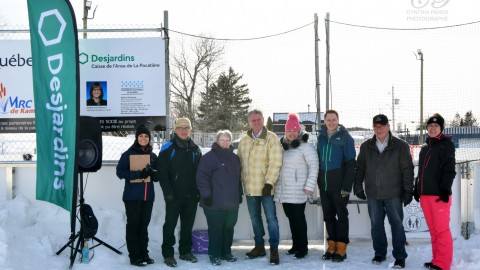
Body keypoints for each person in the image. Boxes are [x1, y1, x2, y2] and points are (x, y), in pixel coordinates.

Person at [353, 114, 414, 269]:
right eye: (375, 126)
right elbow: (360, 168)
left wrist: (408, 190)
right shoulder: (366, 146)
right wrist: (358, 186)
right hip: (373, 194)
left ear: (388, 126)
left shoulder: (401, 146)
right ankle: (379, 253)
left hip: (394, 194)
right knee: (376, 225)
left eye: (381, 126)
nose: (378, 129)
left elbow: (407, 169)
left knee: (397, 225)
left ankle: (400, 256)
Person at [237, 109, 283, 265]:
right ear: (249, 122)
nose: (256, 123)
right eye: (253, 120)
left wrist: (269, 183)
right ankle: (259, 246)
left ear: (263, 120)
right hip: (250, 187)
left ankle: (274, 249)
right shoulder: (244, 140)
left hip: (266, 188)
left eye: (259, 119)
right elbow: (239, 163)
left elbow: (276, 162)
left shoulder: (272, 138)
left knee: (271, 219)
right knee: (255, 218)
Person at [156, 118, 202, 268]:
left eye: (186, 127)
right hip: (173, 196)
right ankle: (168, 254)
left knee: (187, 225)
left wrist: (199, 192)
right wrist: (167, 193)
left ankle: (185, 251)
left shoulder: (196, 149)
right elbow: (162, 173)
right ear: (174, 130)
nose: (183, 130)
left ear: (190, 130)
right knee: (170, 225)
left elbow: (201, 173)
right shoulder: (167, 148)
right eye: (180, 128)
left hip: (191, 196)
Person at [414, 113, 456, 270]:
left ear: (441, 128)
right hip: (425, 195)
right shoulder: (425, 149)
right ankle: (436, 259)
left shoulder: (446, 145)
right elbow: (422, 172)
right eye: (430, 126)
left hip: (439, 196)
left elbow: (449, 170)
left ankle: (443, 263)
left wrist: (445, 189)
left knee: (441, 230)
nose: (432, 128)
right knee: (433, 230)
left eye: (436, 126)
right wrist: (417, 188)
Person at [274, 113, 319, 260]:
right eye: (289, 131)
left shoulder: (306, 147)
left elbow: (314, 167)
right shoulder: (282, 147)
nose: (291, 133)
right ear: (285, 132)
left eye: (294, 130)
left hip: (300, 190)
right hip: (285, 191)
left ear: (299, 131)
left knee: (299, 219)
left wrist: (309, 186)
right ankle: (295, 245)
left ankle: (303, 247)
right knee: (291, 218)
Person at [196, 130, 242, 266]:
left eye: (228, 140)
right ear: (217, 141)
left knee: (228, 228)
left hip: (231, 202)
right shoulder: (208, 158)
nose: (225, 142)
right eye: (222, 140)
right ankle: (214, 254)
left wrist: (239, 194)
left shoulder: (235, 158)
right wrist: (206, 195)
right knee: (216, 229)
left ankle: (226, 252)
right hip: (213, 202)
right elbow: (201, 178)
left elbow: (237, 179)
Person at [317, 109, 356, 262]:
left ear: (338, 120)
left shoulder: (345, 138)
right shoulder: (321, 137)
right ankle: (331, 245)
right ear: (324, 121)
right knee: (328, 216)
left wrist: (346, 186)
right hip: (324, 185)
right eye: (328, 120)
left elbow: (351, 163)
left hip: (340, 186)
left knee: (341, 215)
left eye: (334, 119)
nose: (331, 122)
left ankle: (341, 246)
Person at [116, 125, 158, 267]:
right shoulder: (128, 154)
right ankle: (134, 256)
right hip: (132, 197)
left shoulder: (153, 156)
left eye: (146, 136)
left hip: (148, 197)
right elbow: (120, 172)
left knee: (143, 226)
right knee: (133, 225)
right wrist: (138, 174)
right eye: (141, 136)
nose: (143, 138)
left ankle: (144, 253)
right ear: (136, 138)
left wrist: (154, 174)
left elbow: (157, 176)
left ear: (149, 138)